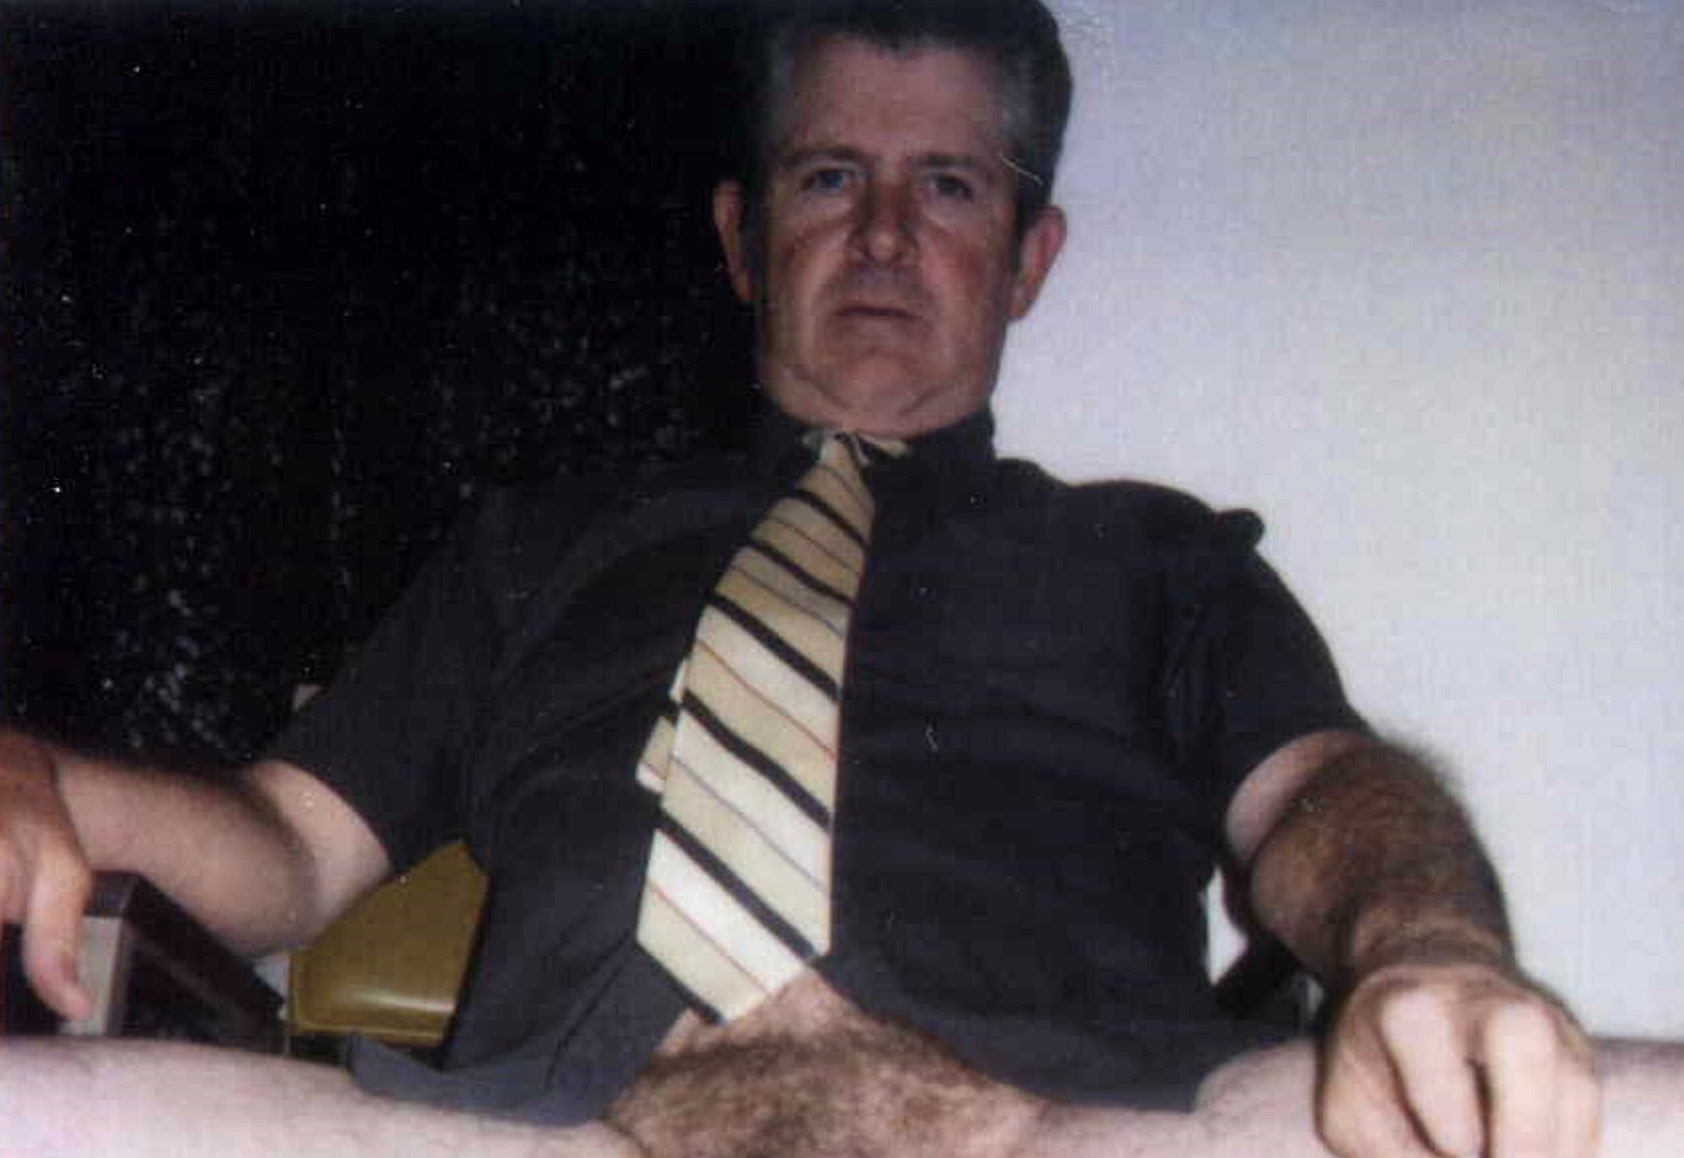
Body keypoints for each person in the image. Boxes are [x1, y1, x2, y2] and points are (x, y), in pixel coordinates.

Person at [0, 2, 1678, 1156]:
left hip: (1087, 1129)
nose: (882, 235)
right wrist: (46, 781)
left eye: (946, 184)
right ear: (744, 240)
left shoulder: (1159, 556)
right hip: (544, 1133)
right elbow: (289, 847)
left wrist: (1430, 943)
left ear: (1029, 256)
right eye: (829, 177)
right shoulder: (531, 548)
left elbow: (1323, 788)